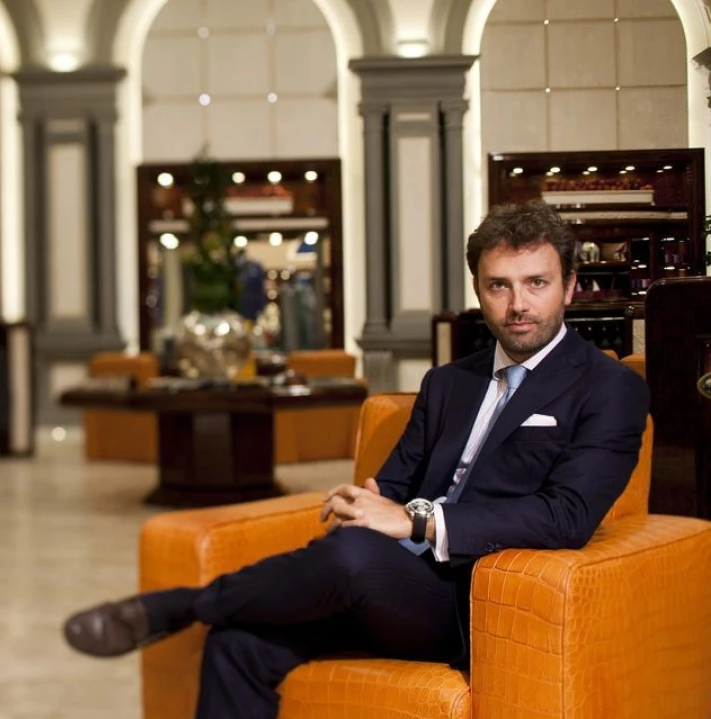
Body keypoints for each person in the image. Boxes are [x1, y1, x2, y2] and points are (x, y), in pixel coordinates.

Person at [62, 200, 649, 719]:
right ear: (478, 290)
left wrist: (417, 520)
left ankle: (181, 606)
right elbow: (390, 483)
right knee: (237, 644)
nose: (518, 304)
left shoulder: (607, 388)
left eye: (536, 283)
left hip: (475, 600)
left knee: (352, 556)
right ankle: (206, 610)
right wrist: (367, 505)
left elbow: (567, 515)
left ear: (570, 286)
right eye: (499, 286)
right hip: (381, 579)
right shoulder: (448, 383)